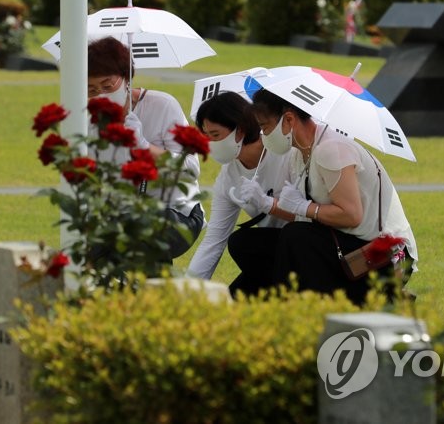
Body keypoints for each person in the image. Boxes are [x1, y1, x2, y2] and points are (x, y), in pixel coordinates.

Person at [250, 89, 418, 305]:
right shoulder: (299, 154)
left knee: (295, 237)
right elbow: (306, 215)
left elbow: (351, 215)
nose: (263, 135)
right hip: (346, 244)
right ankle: (263, 303)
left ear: (289, 119)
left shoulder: (331, 149)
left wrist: (303, 207)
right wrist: (269, 204)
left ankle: (293, 309)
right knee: (248, 243)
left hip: (381, 255)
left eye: (265, 127)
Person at [86, 37, 203, 257]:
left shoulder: (163, 105)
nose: (101, 94)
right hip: (121, 213)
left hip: (176, 212)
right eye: (91, 90)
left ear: (127, 78)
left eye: (107, 85)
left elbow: (190, 167)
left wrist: (143, 146)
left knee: (137, 232)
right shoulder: (89, 118)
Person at [187, 92, 292, 296]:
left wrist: (268, 203)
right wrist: (189, 289)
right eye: (205, 136)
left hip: (300, 245)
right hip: (271, 254)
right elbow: (214, 239)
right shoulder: (228, 176)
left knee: (242, 243)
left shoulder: (285, 154)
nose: (209, 144)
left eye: (215, 135)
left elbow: (310, 214)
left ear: (240, 130)